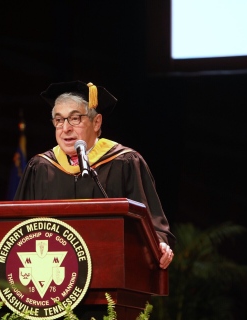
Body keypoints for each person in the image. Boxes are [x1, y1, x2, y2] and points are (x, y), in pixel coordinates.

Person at [14, 80, 175, 269]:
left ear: (96, 122)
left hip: (111, 268)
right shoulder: (40, 167)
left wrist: (160, 244)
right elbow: (18, 226)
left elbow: (151, 221)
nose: (65, 128)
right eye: (59, 120)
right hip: (52, 274)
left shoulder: (124, 162)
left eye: (75, 119)